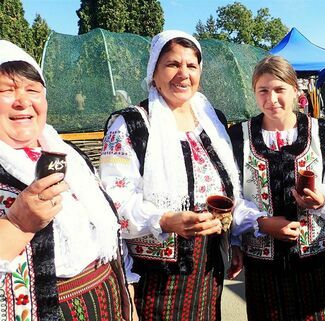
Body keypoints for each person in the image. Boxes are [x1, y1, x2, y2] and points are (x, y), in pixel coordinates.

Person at [100, 30, 242, 320]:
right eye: (172, 64)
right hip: (157, 277)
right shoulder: (130, 125)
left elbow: (231, 188)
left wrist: (234, 240)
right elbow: (114, 202)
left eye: (191, 65)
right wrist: (164, 220)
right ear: (154, 71)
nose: (183, 74)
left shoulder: (213, 120)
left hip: (209, 266)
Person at [0, 40, 131, 320]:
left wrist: (126, 296)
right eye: (6, 91)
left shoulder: (68, 155)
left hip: (106, 299)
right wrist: (17, 224)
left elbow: (108, 233)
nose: (23, 101)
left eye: (32, 90)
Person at [228, 55, 325, 321]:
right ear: (254, 92)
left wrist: (322, 201)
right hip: (262, 264)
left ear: (295, 90)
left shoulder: (320, 133)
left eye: (280, 89)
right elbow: (232, 194)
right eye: (263, 91)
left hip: (313, 259)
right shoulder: (240, 136)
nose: (272, 100)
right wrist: (261, 222)